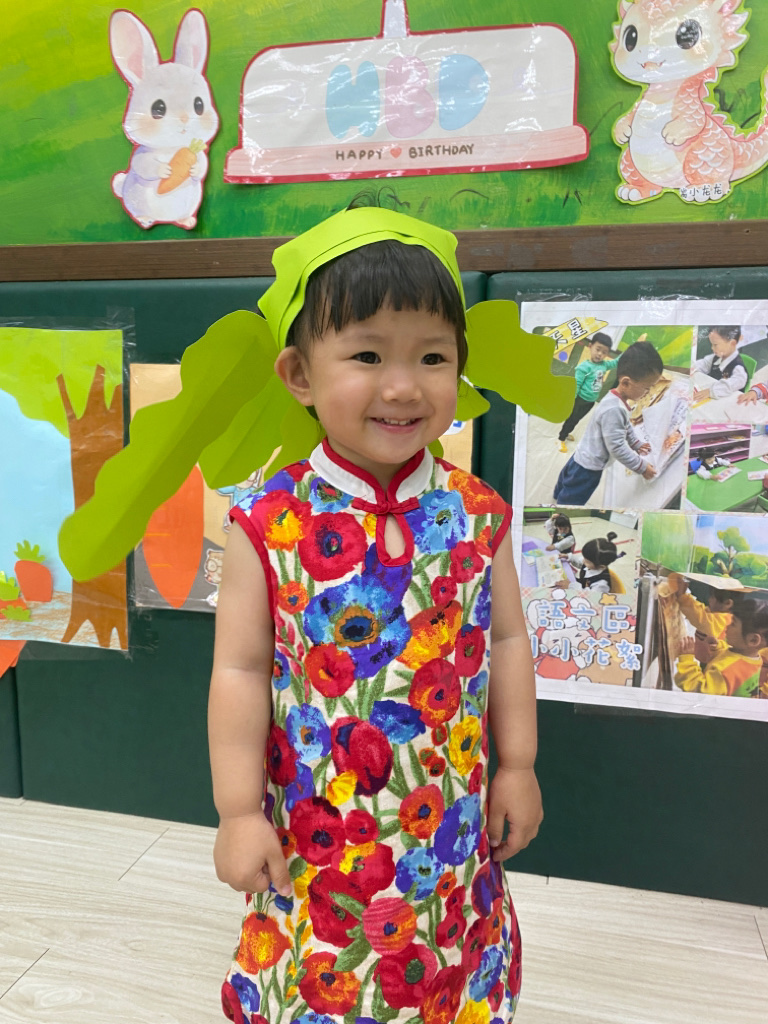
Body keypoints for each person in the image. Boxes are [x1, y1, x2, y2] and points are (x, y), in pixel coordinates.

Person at [208, 204, 543, 1024]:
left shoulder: (477, 511)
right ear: (299, 374)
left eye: (432, 356)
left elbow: (506, 639)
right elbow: (239, 670)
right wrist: (238, 812)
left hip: (450, 827)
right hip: (322, 837)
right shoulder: (268, 520)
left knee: (445, 980)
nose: (403, 386)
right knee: (329, 984)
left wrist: (519, 764)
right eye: (367, 355)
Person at [553, 342, 662, 506]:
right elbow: (616, 447)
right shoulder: (614, 409)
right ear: (626, 383)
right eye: (647, 388)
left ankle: (557, 496)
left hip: (581, 455)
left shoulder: (616, 399)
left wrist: (635, 443)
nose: (648, 393)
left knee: (566, 480)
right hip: (589, 468)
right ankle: (561, 507)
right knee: (572, 499)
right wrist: (641, 466)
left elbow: (625, 425)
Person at [675, 595, 768, 697]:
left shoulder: (728, 672)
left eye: (733, 624)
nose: (727, 625)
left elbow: (697, 690)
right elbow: (734, 657)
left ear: (753, 640)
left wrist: (687, 659)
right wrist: (718, 648)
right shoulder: (754, 658)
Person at [557, 332, 619, 452]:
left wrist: (630, 351)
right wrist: (571, 401)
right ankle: (561, 438)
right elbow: (576, 385)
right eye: (598, 349)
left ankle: (567, 432)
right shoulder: (584, 367)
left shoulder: (604, 365)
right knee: (571, 419)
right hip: (579, 400)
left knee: (577, 419)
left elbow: (616, 362)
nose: (600, 354)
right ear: (590, 346)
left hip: (590, 401)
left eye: (604, 352)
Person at [665, 573, 733, 641]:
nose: (709, 600)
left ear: (727, 603)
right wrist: (685, 596)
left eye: (713, 597)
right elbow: (700, 610)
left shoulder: (725, 620)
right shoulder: (719, 613)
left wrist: (682, 597)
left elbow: (701, 618)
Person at [693, 326, 748, 402]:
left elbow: (733, 384)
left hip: (729, 403)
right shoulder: (716, 357)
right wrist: (689, 368)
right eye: (712, 344)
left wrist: (710, 391)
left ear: (732, 343)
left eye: (715, 345)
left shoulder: (738, 368)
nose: (712, 348)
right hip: (713, 400)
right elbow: (703, 364)